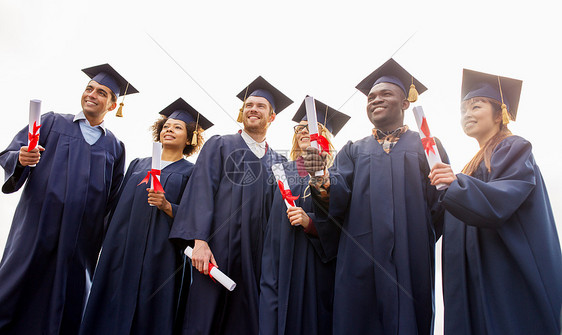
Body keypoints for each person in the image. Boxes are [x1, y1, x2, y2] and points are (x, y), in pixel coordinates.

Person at [303, 58, 448, 334]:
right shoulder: (353, 151)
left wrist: (414, 236)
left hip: (411, 261)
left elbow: (440, 204)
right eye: (371, 97)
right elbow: (337, 200)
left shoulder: (427, 146)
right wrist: (320, 177)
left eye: (386, 94)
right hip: (360, 261)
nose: (375, 100)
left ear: (406, 103)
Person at [0, 63, 138, 334]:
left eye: (101, 92)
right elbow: (10, 154)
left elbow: (112, 200)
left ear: (112, 106)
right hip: (36, 228)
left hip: (81, 242)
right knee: (17, 286)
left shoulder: (115, 147)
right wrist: (21, 158)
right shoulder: (51, 122)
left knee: (68, 301)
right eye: (89, 88)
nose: (92, 94)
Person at [429, 69, 562, 335]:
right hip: (473, 280)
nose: (467, 114)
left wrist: (456, 185)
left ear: (500, 113)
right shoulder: (470, 166)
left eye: (476, 106)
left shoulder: (513, 147)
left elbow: (502, 198)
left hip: (504, 274)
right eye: (463, 110)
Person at [169, 76, 292, 335]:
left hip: (258, 256)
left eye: (260, 106)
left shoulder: (279, 161)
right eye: (248, 105)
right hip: (216, 251)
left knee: (247, 319)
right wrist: (199, 241)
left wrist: (317, 159)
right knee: (206, 316)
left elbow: (290, 199)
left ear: (272, 117)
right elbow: (201, 191)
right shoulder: (221, 144)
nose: (252, 110)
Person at [79, 98, 213, 335]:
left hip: (162, 256)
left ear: (190, 138)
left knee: (151, 313)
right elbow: (115, 206)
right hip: (121, 252)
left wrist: (167, 206)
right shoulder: (137, 165)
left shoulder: (192, 173)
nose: (169, 129)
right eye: (167, 125)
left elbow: (197, 217)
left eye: (178, 127)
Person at [259, 97, 350, 335]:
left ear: (325, 137)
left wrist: (311, 223)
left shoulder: (338, 174)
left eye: (310, 128)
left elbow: (345, 223)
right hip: (277, 261)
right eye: (299, 128)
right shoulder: (279, 172)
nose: (302, 132)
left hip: (315, 266)